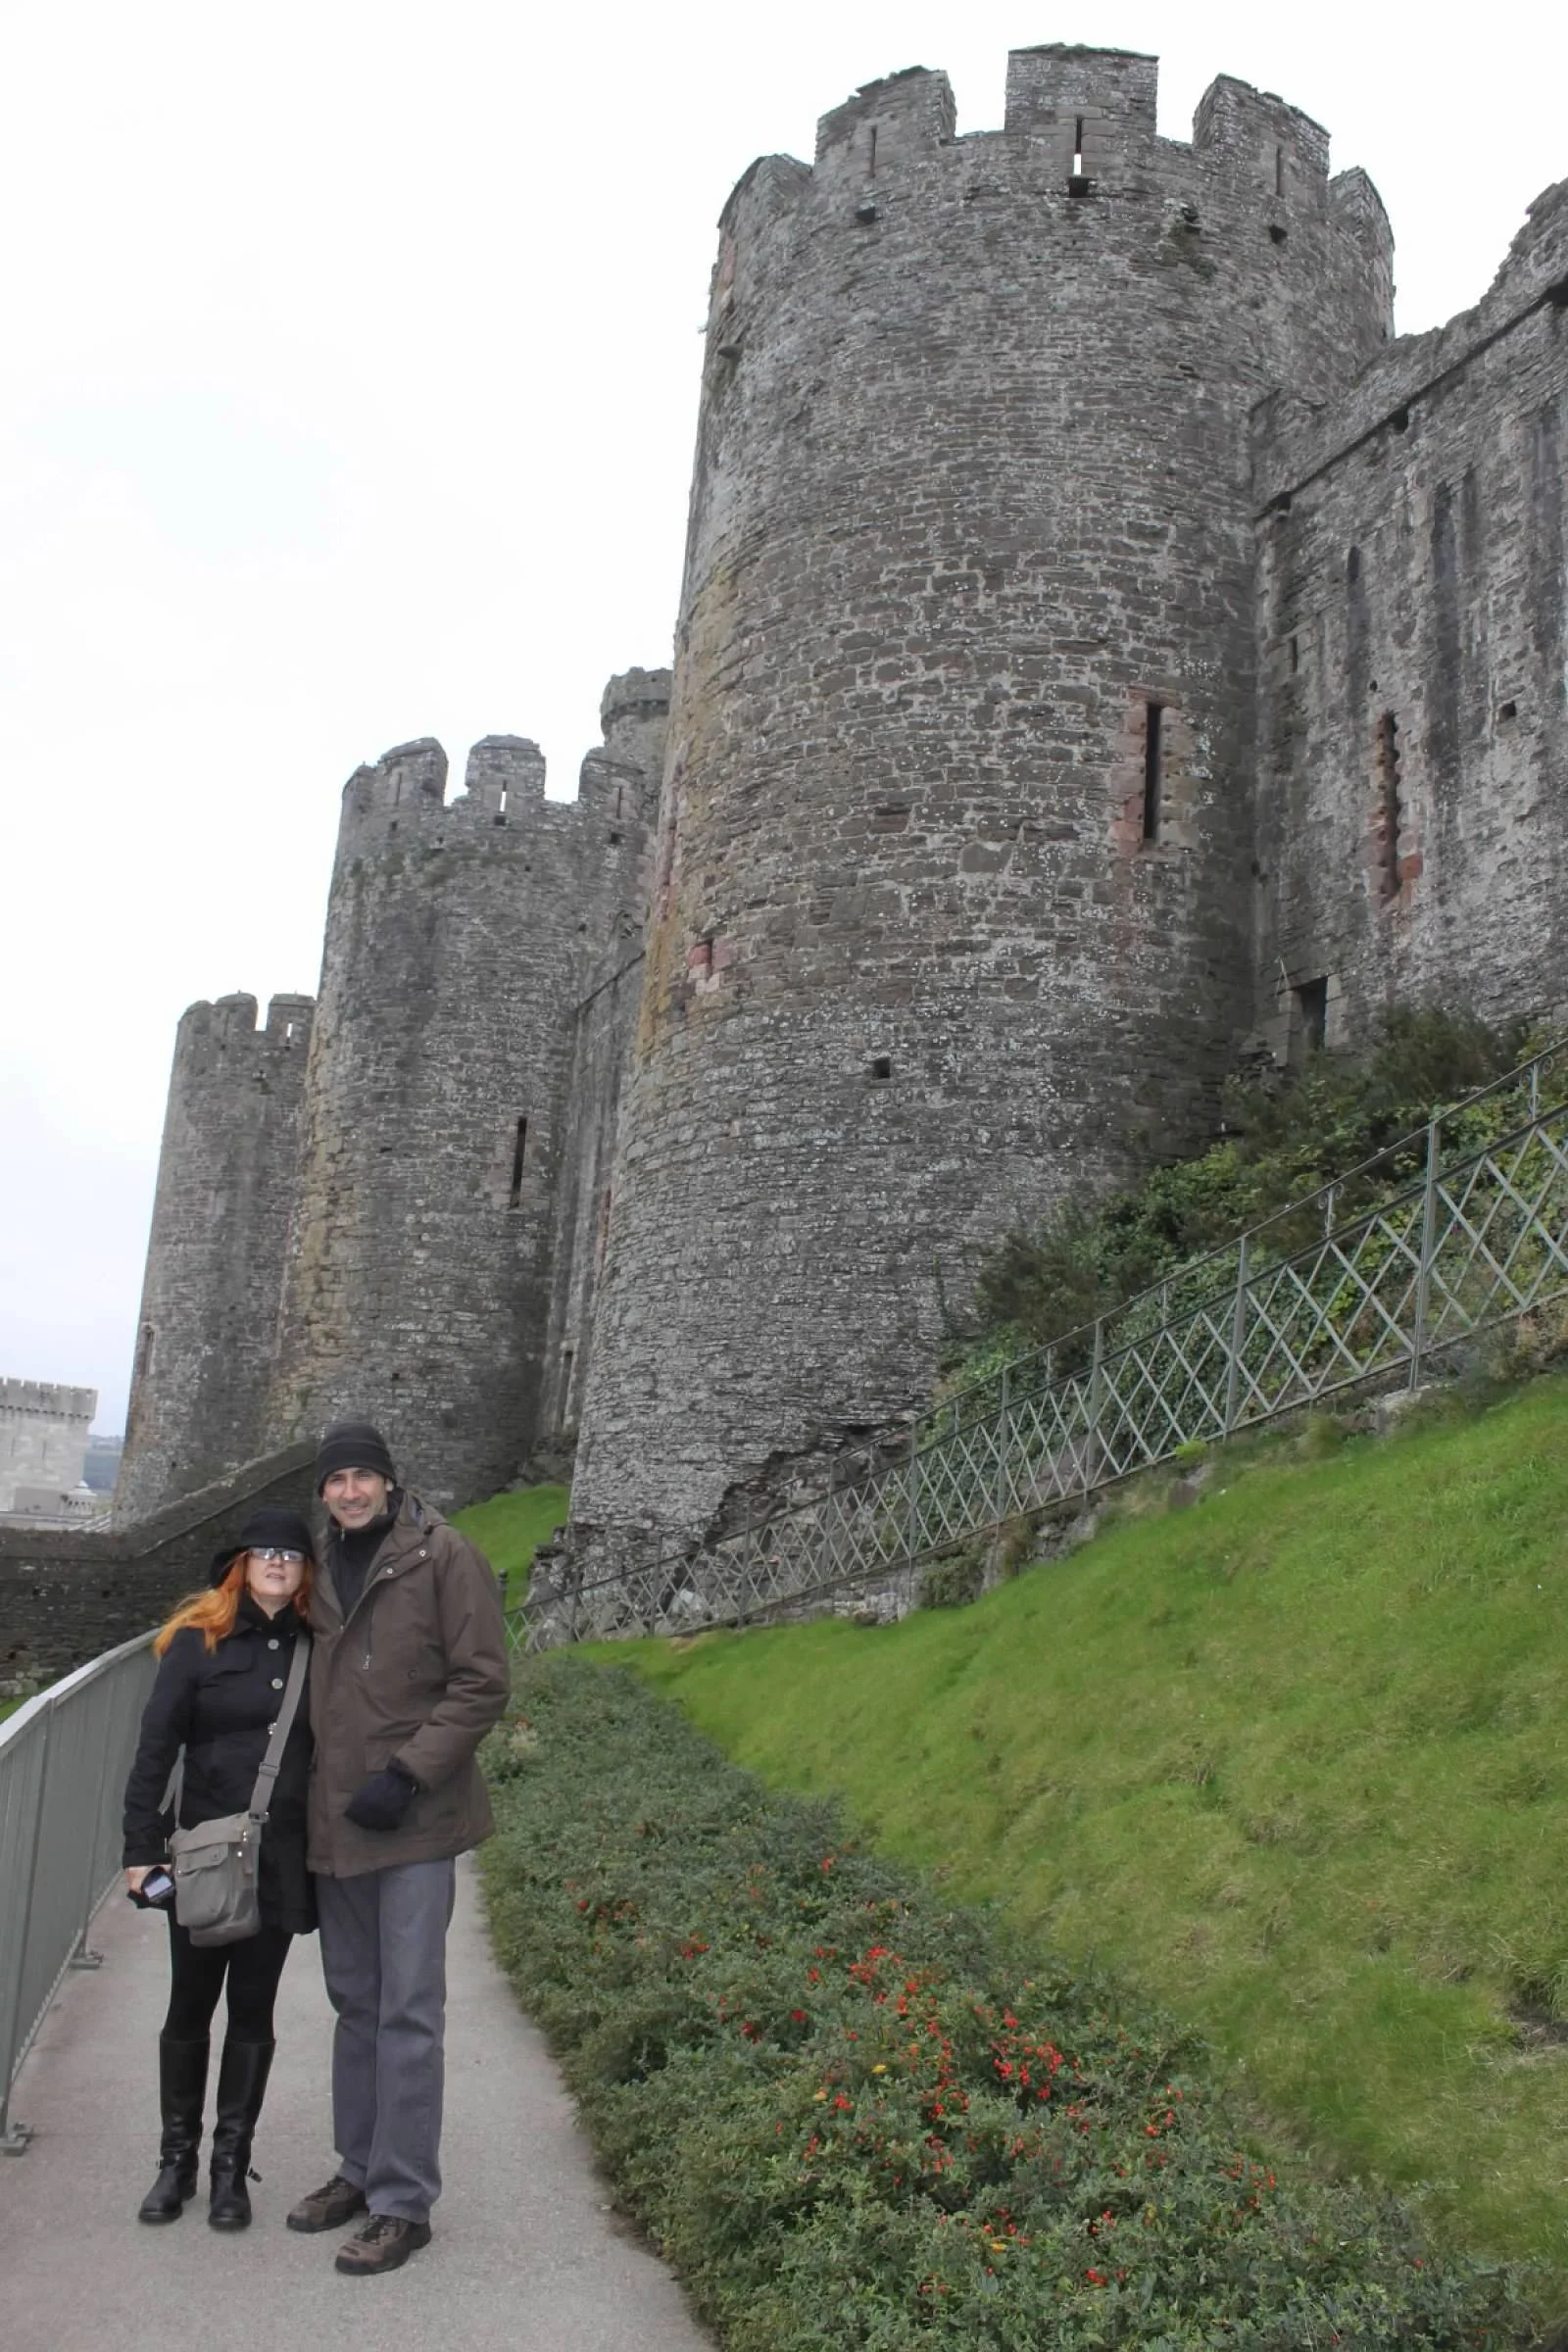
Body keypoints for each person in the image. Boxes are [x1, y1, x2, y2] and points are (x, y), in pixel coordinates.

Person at [287, 1422, 509, 2277]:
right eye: (335, 1479)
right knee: (357, 2006)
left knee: (409, 2012)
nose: (349, 1491)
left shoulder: (444, 1556)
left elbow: (483, 1679)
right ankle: (357, 2167)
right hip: (336, 1823)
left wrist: (409, 1774)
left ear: (388, 1482)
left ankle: (403, 2202)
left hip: (414, 1821)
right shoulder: (316, 1565)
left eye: (361, 1477)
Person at [122, 1505, 317, 2230]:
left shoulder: (313, 1647)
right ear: (241, 1565)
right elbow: (153, 1751)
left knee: (254, 2011)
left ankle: (231, 2168)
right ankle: (176, 2163)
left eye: (291, 1556)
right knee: (190, 2008)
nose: (277, 1563)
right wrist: (141, 1850)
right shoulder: (196, 1643)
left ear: (304, 1574)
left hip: (281, 1860)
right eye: (264, 1553)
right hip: (203, 1857)